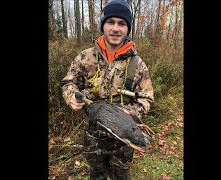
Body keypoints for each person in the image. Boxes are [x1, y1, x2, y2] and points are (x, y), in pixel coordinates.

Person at [61, 0, 154, 179]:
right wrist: (71, 95)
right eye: (110, 22)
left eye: (122, 23)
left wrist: (128, 114)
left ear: (128, 28)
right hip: (93, 136)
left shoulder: (137, 64)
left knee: (121, 176)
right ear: (103, 25)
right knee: (97, 175)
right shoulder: (85, 57)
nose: (115, 28)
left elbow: (146, 99)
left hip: (124, 138)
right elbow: (68, 83)